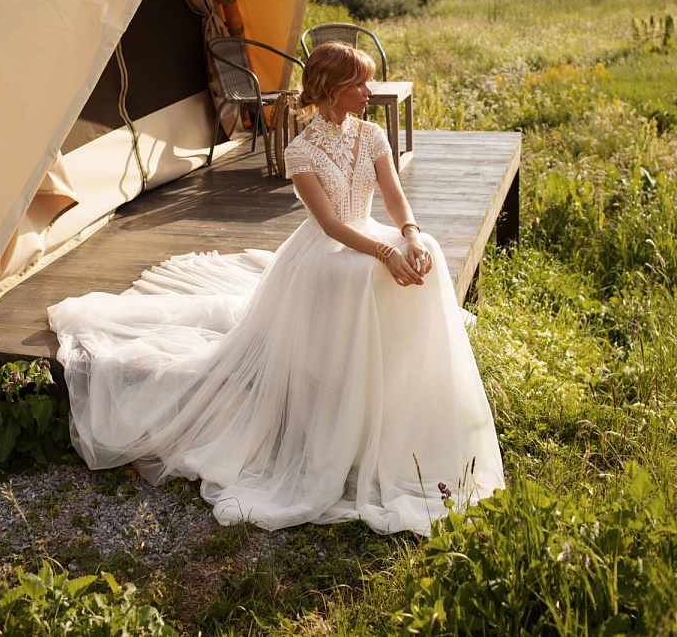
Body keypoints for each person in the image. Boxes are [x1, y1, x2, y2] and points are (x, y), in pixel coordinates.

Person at [49, 42, 504, 534]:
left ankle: (406, 384)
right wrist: (384, 252)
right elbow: (329, 225)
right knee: (364, 272)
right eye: (359, 84)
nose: (369, 92)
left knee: (428, 252)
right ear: (332, 91)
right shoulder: (301, 150)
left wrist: (410, 236)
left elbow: (394, 198)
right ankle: (348, 400)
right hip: (326, 253)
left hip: (368, 233)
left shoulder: (371, 135)